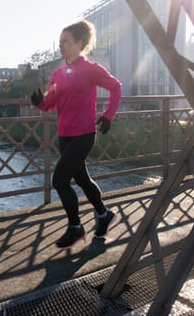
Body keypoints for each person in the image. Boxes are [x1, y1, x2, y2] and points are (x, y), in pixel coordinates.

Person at [31, 19, 122, 249]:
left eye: (66, 41)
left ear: (80, 43)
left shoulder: (91, 69)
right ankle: (104, 215)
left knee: (60, 180)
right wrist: (39, 102)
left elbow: (116, 87)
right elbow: (51, 104)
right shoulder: (58, 74)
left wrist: (108, 114)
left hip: (83, 134)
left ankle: (75, 227)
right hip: (65, 135)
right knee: (81, 179)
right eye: (59, 42)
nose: (61, 45)